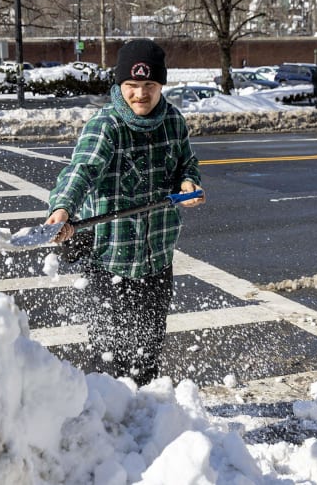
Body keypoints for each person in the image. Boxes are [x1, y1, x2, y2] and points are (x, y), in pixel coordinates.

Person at [44, 39, 206, 386]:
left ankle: (145, 425)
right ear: (120, 85)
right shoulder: (106, 125)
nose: (140, 94)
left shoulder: (173, 121)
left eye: (149, 85)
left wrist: (189, 182)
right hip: (108, 261)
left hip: (157, 258)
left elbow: (185, 164)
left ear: (161, 84)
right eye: (132, 86)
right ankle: (105, 427)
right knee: (109, 357)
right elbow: (81, 170)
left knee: (148, 351)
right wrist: (62, 208)